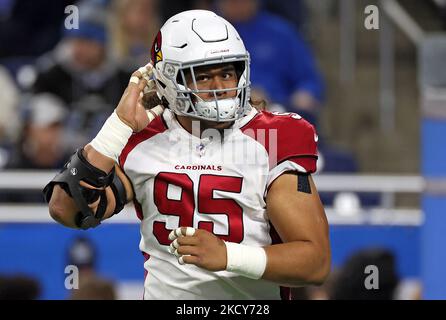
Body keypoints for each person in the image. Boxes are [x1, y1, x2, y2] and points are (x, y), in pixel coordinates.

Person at [44, 10, 330, 300]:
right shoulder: (143, 138)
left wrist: (228, 255)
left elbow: (314, 263)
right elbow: (67, 210)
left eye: (227, 73)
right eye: (203, 76)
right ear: (169, 79)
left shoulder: (272, 138)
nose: (220, 88)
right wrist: (116, 127)